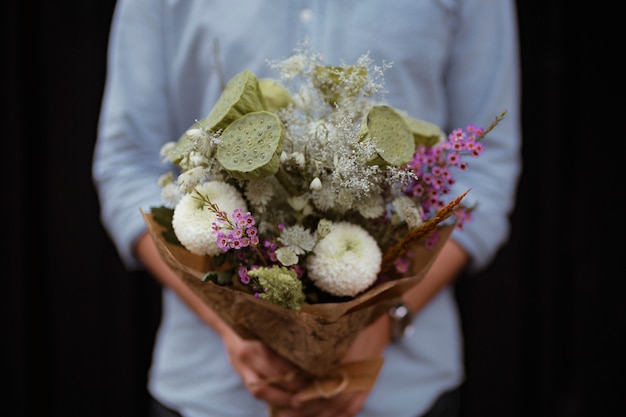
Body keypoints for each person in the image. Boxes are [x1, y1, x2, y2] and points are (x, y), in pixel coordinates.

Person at [92, 1, 521, 416]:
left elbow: (484, 169)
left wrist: (386, 318)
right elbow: (128, 166)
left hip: (402, 389)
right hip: (211, 391)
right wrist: (230, 322)